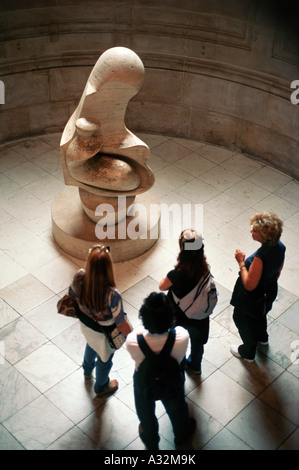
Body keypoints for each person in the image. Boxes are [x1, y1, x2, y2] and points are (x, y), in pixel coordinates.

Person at [126, 292, 195, 450]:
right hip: (172, 379)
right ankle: (182, 435)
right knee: (177, 408)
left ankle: (151, 440)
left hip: (144, 383)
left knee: (145, 412)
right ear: (171, 316)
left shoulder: (133, 341)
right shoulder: (182, 336)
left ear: (144, 318)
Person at [69, 245, 132, 397]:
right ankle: (102, 386)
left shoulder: (79, 277)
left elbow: (71, 295)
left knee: (91, 345)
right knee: (105, 360)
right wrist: (133, 336)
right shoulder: (112, 295)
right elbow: (120, 322)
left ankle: (87, 369)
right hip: (105, 333)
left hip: (87, 326)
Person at [230, 211, 286, 362]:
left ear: (264, 236)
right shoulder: (281, 247)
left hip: (252, 298)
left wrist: (241, 262)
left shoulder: (259, 258)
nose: (251, 231)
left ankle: (247, 351)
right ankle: (263, 338)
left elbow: (249, 285)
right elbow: (278, 270)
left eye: (254, 230)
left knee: (241, 318)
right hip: (269, 290)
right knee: (261, 315)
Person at [159, 229, 216, 374]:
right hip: (199, 317)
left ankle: (180, 363)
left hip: (178, 315)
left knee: (178, 340)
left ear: (181, 250)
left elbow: (162, 286)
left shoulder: (177, 274)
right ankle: (195, 365)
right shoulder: (205, 270)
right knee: (197, 343)